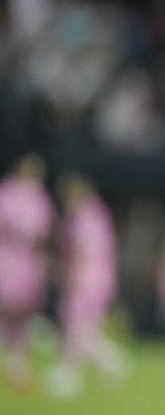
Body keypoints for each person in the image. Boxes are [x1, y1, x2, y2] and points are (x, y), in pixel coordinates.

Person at [46, 172, 126, 398]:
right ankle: (69, 375)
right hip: (103, 277)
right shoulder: (101, 214)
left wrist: (71, 276)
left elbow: (82, 251)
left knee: (78, 327)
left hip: (85, 277)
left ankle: (111, 360)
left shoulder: (83, 217)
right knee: (82, 328)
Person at [0, 152, 55, 389]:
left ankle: (18, 368)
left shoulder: (39, 198)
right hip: (7, 258)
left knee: (22, 317)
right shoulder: (8, 192)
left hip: (27, 263)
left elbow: (44, 233)